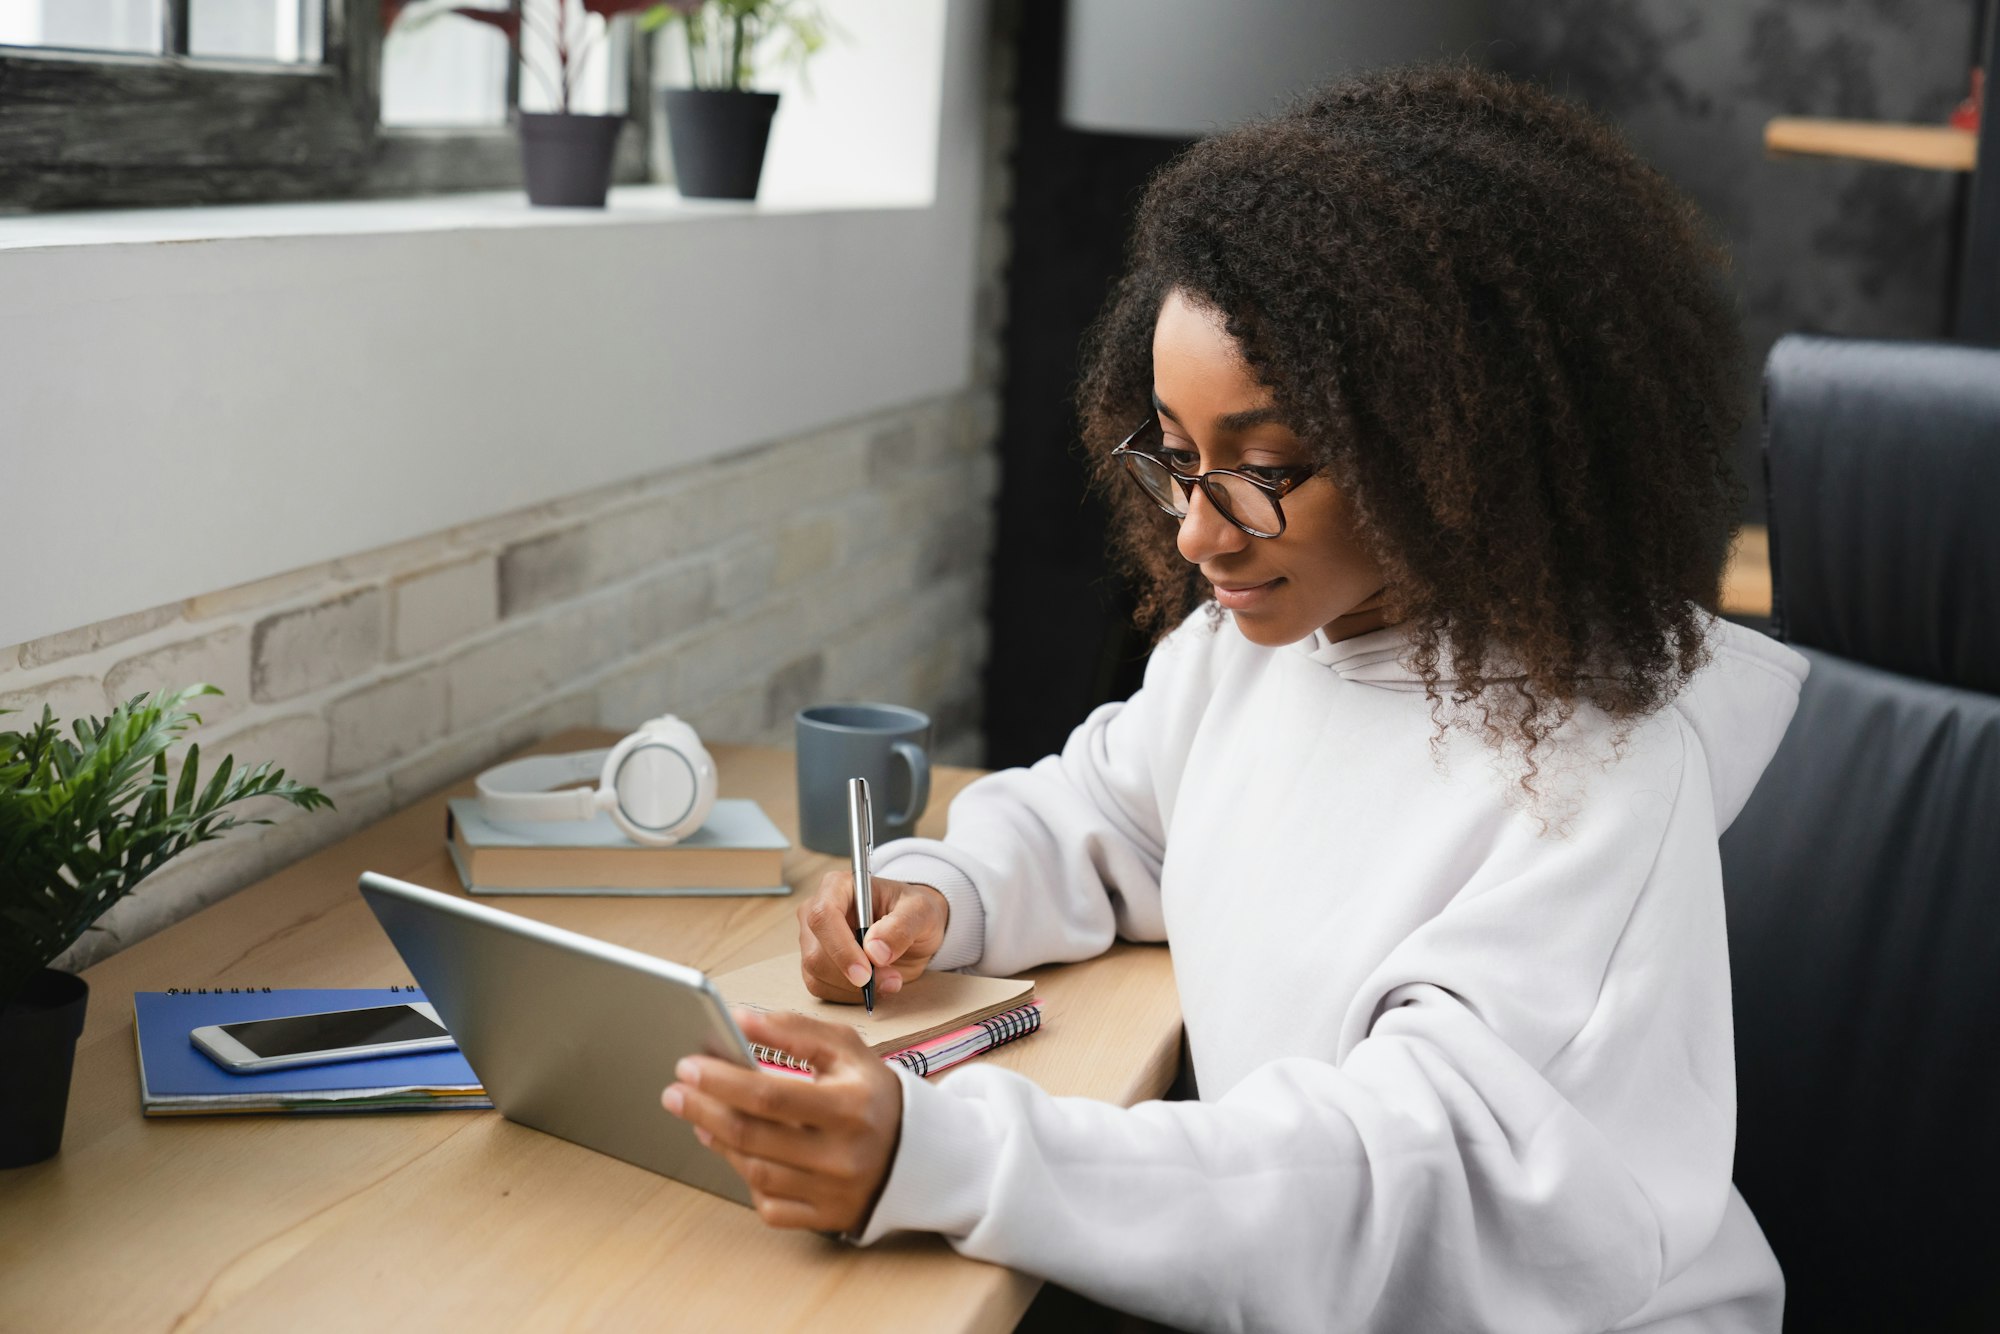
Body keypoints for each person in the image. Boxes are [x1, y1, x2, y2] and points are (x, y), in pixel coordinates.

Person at [661, 63, 1803, 1333]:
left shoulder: (1594, 774)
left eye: (1259, 469)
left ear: (1445, 447)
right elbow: (1113, 814)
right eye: (1173, 454)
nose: (1200, 530)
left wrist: (950, 1151)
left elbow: (1395, 1175)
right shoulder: (1251, 649)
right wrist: (942, 889)